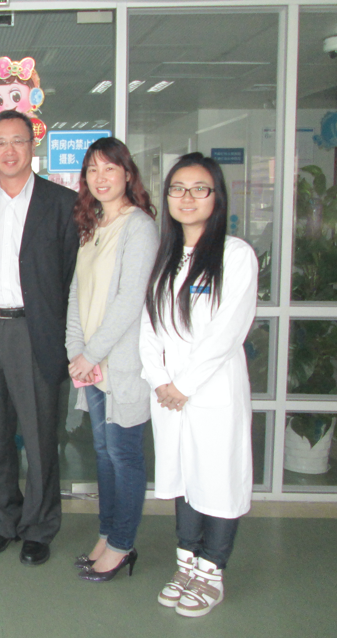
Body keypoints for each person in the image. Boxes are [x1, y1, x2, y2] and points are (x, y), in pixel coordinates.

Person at [0, 108, 78, 566]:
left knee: (41, 435)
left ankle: (39, 527)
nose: (9, 150)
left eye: (18, 141)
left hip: (36, 331)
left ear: (32, 146)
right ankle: (2, 522)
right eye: (0, 142)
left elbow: (70, 274)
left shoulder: (61, 203)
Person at [140, 153, 257, 617]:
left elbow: (227, 332)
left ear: (216, 197)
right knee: (184, 478)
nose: (186, 198)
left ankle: (212, 571)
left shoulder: (235, 255)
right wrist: (160, 380)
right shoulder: (166, 256)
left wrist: (183, 384)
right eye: (177, 189)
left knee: (218, 479)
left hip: (211, 392)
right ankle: (186, 562)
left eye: (198, 189)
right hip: (170, 395)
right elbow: (148, 327)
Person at [64, 137, 158, 581]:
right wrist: (76, 353)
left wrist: (91, 354)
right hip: (93, 365)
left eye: (109, 169)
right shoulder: (93, 224)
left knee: (124, 455)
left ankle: (122, 545)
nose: (100, 178)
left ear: (127, 174)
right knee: (103, 453)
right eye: (92, 170)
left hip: (121, 366)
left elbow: (129, 301)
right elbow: (77, 294)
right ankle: (106, 534)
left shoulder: (139, 226)